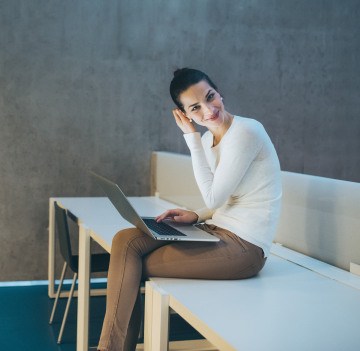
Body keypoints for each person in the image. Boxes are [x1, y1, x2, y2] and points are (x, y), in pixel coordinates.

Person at [97, 68, 282, 351]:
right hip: (216, 229)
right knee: (125, 240)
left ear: (219, 92)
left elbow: (213, 197)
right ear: (184, 113)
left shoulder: (246, 132)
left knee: (129, 269)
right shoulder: (211, 140)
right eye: (196, 107)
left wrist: (191, 139)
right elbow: (222, 200)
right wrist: (196, 215)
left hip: (245, 247)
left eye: (210, 97)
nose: (209, 110)